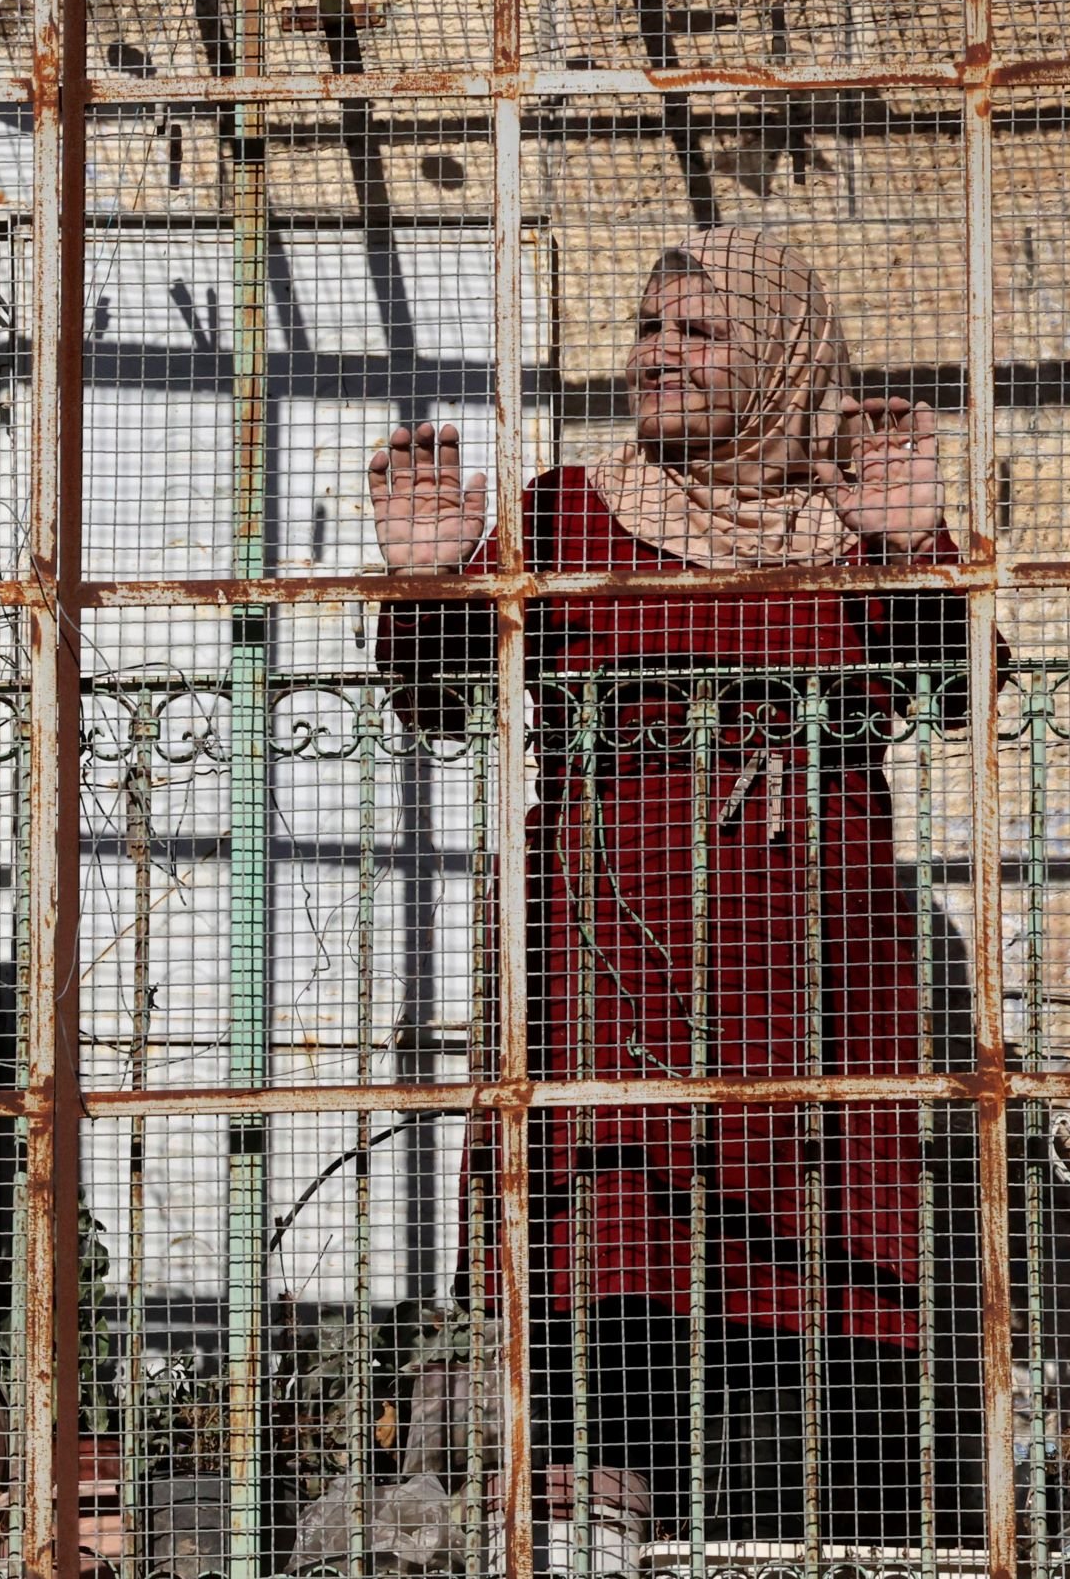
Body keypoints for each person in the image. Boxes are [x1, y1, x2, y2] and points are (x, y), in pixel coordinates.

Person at [371, 227, 983, 1543]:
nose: (659, 352)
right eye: (650, 328)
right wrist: (423, 581)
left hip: (818, 981)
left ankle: (812, 1539)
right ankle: (593, 1521)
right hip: (608, 971)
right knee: (608, 1260)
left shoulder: (853, 515)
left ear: (776, 354)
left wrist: (915, 541)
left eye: (698, 332)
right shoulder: (564, 514)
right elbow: (440, 700)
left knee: (814, 1292)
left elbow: (960, 689)